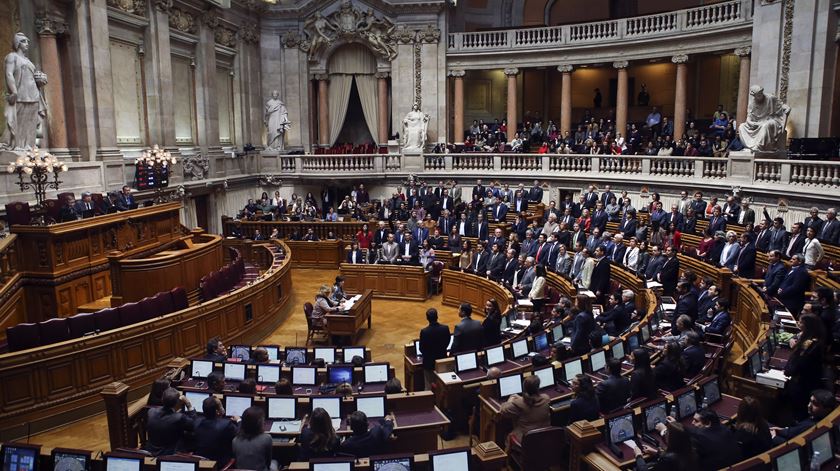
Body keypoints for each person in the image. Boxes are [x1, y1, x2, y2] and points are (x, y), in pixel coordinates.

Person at [784, 314, 826, 419]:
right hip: (810, 381)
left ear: (808, 326)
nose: (799, 324)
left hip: (802, 385)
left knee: (798, 412)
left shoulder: (809, 344)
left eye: (801, 322)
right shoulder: (816, 339)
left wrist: (787, 371)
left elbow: (797, 365)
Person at [499, 375, 550, 449]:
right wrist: (521, 399)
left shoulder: (519, 404)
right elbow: (532, 401)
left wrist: (510, 400)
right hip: (545, 437)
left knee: (506, 435)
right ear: (537, 388)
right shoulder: (546, 399)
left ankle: (507, 460)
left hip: (526, 440)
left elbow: (503, 411)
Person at [771, 389, 836, 444]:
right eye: (810, 401)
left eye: (815, 404)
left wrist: (773, 437)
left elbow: (792, 445)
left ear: (827, 409)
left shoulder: (814, 426)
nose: (809, 405)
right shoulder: (817, 418)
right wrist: (784, 430)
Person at [144, 388, 195, 456]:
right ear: (177, 402)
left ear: (162, 399)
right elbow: (193, 424)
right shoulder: (179, 418)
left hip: (150, 452)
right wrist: (188, 404)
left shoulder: (151, 411)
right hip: (168, 455)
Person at [633, 421, 699, 471]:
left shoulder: (667, 460)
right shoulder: (691, 450)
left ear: (671, 439)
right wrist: (656, 452)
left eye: (667, 432)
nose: (665, 434)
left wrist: (638, 456)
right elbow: (676, 456)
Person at [192, 396, 238, 464]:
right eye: (221, 405)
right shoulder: (227, 424)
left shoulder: (196, 422)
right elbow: (240, 433)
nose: (223, 407)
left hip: (199, 463)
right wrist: (239, 420)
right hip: (218, 464)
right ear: (217, 411)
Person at [233, 406, 277, 471]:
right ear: (259, 423)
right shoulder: (267, 438)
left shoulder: (235, 440)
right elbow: (268, 462)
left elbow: (236, 461)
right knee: (275, 462)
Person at [419, 308, 450, 390]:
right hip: (442, 360)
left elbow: (421, 348)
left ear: (427, 318)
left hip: (429, 363)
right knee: (442, 385)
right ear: (437, 317)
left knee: (428, 385)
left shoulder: (424, 332)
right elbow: (447, 342)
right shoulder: (445, 328)